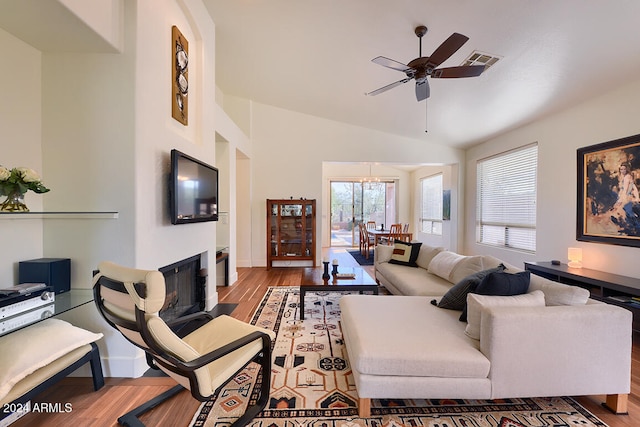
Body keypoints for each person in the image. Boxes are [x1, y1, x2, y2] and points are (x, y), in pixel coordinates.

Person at [612, 162, 640, 231]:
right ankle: (633, 226)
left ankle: (636, 227)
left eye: (624, 169)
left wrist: (621, 200)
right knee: (626, 212)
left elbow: (626, 189)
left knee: (626, 211)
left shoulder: (627, 177)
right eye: (621, 169)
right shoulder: (625, 177)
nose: (622, 171)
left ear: (627, 169)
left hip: (628, 197)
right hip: (626, 196)